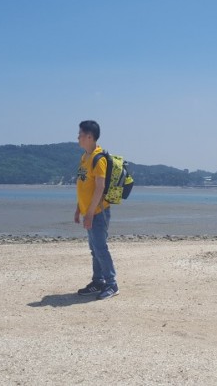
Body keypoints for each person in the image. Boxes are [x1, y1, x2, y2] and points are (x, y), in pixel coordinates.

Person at [74, 120, 119, 300]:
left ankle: (112, 284)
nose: (78, 137)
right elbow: (84, 186)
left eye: (80, 134)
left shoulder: (98, 159)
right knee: (94, 249)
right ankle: (98, 281)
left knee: (100, 249)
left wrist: (90, 214)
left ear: (89, 137)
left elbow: (99, 188)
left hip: (99, 212)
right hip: (89, 211)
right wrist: (79, 209)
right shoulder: (85, 157)